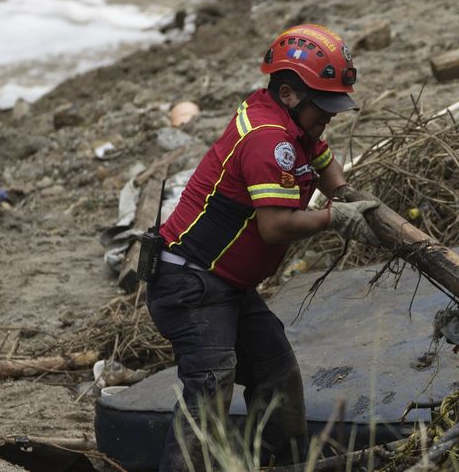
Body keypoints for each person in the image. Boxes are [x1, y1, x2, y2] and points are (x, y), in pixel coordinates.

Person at [146, 23, 380, 470]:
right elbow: (274, 226)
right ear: (290, 93)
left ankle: (279, 461)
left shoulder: (291, 123)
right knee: (210, 388)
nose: (328, 115)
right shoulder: (267, 138)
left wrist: (346, 194)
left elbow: (322, 154)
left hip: (227, 283)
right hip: (190, 283)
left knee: (277, 372)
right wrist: (335, 218)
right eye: (324, 106)